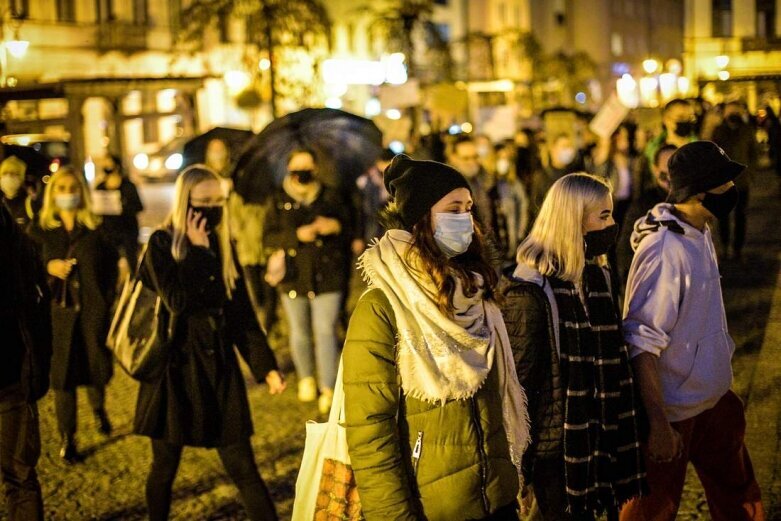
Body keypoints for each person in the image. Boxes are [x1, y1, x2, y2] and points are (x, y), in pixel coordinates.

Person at [342, 154, 529, 520]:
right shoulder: (383, 306)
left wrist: (512, 476)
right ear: (420, 217)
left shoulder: (477, 291)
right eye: (453, 208)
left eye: (469, 208)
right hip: (435, 508)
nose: (466, 220)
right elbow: (370, 432)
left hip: (497, 498)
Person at [620, 141, 765, 521]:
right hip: (675, 410)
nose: (731, 191)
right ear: (700, 192)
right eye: (724, 184)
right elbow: (641, 342)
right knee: (650, 510)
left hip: (713, 399)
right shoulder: (664, 250)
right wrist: (659, 425)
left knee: (739, 496)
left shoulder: (699, 230)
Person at [133, 165, 286, 521]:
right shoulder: (161, 242)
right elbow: (177, 301)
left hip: (217, 367)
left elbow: (241, 315)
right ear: (186, 201)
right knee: (164, 466)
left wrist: (266, 367)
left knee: (243, 466)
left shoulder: (223, 244)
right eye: (205, 201)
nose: (213, 208)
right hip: (173, 368)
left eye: (219, 200)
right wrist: (198, 255)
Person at [501, 173, 646, 521]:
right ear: (573, 218)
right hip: (556, 446)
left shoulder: (596, 274)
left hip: (598, 433)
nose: (612, 225)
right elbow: (520, 379)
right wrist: (522, 463)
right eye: (604, 216)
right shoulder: (531, 287)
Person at [28, 167, 117, 463]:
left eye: (72, 188)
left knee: (94, 370)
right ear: (53, 194)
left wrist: (106, 303)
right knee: (63, 379)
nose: (68, 193)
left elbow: (110, 271)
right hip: (58, 317)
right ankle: (69, 438)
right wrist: (47, 269)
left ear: (82, 192)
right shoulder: (39, 232)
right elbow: (24, 272)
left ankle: (98, 408)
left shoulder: (96, 230)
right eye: (62, 188)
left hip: (91, 313)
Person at [263, 148, 350, 414]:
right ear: (288, 169)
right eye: (297, 166)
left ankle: (328, 386)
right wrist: (295, 236)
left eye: (308, 166)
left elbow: (350, 225)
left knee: (325, 330)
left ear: (316, 168)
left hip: (328, 275)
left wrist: (335, 226)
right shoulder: (277, 200)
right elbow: (267, 238)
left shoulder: (331, 194)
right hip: (293, 277)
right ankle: (306, 377)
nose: (303, 171)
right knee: (299, 331)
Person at [0, 203, 52, 521]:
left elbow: (39, 311)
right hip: (13, 373)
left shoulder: (17, 243)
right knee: (19, 479)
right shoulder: (18, 240)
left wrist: (38, 364)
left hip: (10, 378)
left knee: (19, 478)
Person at [616, 144, 676, 282]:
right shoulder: (643, 205)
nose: (670, 175)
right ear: (655, 170)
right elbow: (625, 249)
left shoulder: (691, 201)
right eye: (666, 167)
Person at [711, 102, 758, 261]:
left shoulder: (747, 130)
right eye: (730, 111)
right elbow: (713, 153)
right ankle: (724, 247)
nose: (734, 114)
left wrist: (751, 173)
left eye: (736, 111)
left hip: (742, 181)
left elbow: (754, 153)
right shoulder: (718, 131)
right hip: (722, 183)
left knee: (741, 216)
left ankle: (738, 249)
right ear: (724, 114)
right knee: (723, 217)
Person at [94, 154, 144, 277]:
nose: (106, 166)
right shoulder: (100, 186)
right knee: (110, 261)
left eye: (109, 163)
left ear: (116, 166)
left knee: (131, 259)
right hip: (109, 231)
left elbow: (139, 206)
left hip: (127, 229)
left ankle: (135, 282)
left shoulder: (128, 185)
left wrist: (123, 206)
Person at [448, 135, 499, 234]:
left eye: (475, 157)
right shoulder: (448, 187)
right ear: (453, 158)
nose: (472, 162)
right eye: (466, 158)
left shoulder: (487, 181)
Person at [494, 141, 530, 260]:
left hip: (510, 238)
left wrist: (520, 234)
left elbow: (523, 207)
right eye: (500, 157)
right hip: (494, 236)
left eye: (506, 158)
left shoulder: (514, 183)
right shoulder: (487, 183)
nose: (503, 161)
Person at [532, 134, 583, 214]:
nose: (568, 150)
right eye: (564, 146)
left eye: (569, 146)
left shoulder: (576, 175)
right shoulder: (541, 177)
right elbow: (535, 207)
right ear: (553, 149)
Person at [644, 98, 697, 167]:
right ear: (666, 119)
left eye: (690, 117)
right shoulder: (652, 150)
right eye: (681, 117)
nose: (687, 121)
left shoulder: (699, 149)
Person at [0, 155, 37, 228]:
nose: (8, 177)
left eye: (13, 173)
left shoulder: (29, 203)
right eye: (4, 173)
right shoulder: (2, 202)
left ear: (21, 179)